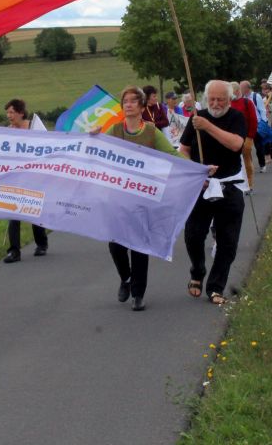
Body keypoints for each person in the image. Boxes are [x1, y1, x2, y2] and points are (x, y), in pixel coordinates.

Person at [103, 86, 180, 311]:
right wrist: (91, 137)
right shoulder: (114, 130)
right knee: (116, 245)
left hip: (143, 196)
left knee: (139, 245)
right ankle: (125, 278)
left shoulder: (151, 132)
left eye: (133, 101)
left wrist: (199, 169)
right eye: (125, 101)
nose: (128, 104)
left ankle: (138, 293)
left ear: (141, 106)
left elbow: (172, 155)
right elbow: (98, 149)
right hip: (118, 196)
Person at [180, 80, 247, 306]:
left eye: (221, 99)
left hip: (229, 184)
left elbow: (236, 144)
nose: (216, 104)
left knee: (228, 242)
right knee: (193, 235)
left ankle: (216, 286)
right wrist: (195, 171)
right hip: (202, 185)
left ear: (230, 99)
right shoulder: (196, 118)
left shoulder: (236, 118)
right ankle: (197, 270)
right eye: (212, 100)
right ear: (206, 98)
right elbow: (184, 150)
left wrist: (208, 126)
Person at [2, 99, 48, 263]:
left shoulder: (34, 127)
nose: (9, 115)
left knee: (34, 212)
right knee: (12, 213)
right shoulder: (7, 131)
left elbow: (45, 147)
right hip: (14, 177)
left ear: (21, 112)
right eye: (7, 112)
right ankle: (14, 251)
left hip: (34, 176)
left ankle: (41, 244)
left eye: (12, 112)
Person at [233, 81, 259, 191]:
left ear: (237, 91)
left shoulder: (247, 103)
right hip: (232, 137)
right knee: (235, 161)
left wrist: (250, 137)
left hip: (246, 137)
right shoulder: (228, 104)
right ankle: (237, 183)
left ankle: (249, 184)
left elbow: (253, 120)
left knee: (246, 159)